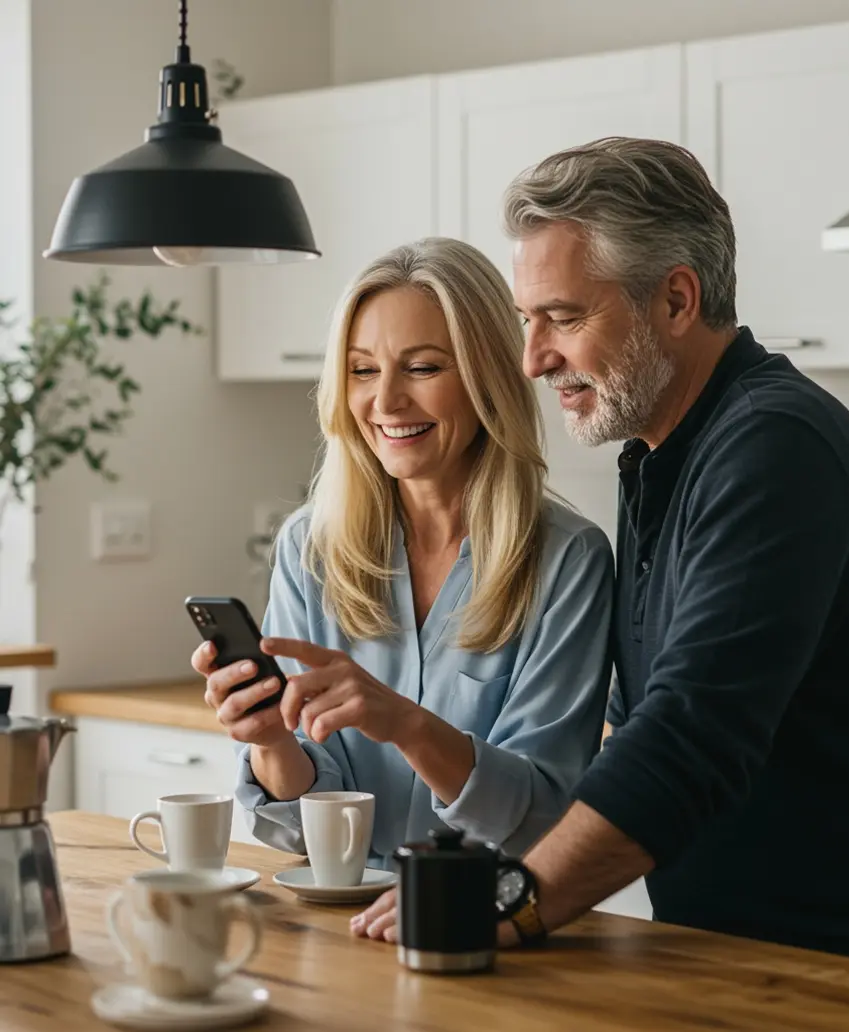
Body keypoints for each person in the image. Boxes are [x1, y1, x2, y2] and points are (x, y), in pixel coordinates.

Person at [352, 138, 849, 983]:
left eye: (564, 317)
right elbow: (644, 726)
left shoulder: (773, 446)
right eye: (526, 320)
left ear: (677, 300)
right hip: (742, 960)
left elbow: (691, 737)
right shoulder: (659, 456)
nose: (532, 358)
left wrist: (508, 896)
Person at [193, 236, 614, 867]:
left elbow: (541, 819)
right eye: (362, 370)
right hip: (341, 924)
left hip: (483, 926)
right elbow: (306, 832)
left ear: (487, 377)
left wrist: (408, 725)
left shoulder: (568, 561)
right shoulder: (309, 548)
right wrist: (271, 741)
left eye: (421, 368)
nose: (385, 401)